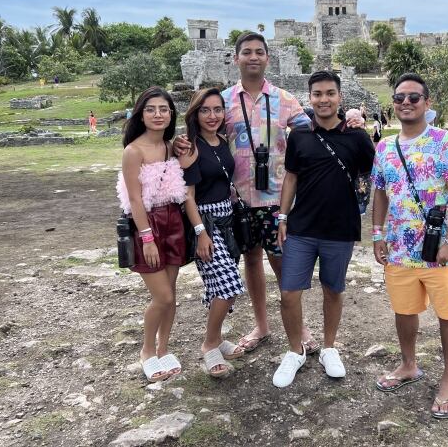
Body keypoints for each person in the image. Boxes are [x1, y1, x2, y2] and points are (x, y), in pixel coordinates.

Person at [174, 32, 321, 354]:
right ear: (236, 58)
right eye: (246, 52)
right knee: (252, 261)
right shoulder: (223, 101)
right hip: (237, 200)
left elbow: (311, 132)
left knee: (283, 263)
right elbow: (200, 132)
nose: (253, 57)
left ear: (267, 58)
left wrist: (346, 124)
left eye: (259, 52)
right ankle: (262, 325)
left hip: (276, 198)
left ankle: (301, 327)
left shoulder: (284, 99)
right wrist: (178, 144)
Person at [371, 72, 448, 420]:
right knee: (404, 310)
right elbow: (380, 192)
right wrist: (377, 233)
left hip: (436, 250)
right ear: (393, 104)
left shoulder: (446, 141)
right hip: (398, 249)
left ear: (427, 104)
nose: (406, 103)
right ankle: (409, 365)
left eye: (414, 98)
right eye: (400, 98)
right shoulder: (384, 146)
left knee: (447, 312)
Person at [272, 71, 375, 388]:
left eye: (330, 93)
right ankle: (295, 350)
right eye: (317, 94)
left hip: (340, 228)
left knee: (333, 289)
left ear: (340, 97)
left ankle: (330, 347)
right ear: (309, 98)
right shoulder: (299, 136)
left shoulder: (358, 138)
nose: (324, 99)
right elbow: (290, 177)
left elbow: (375, 174)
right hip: (302, 227)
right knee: (289, 294)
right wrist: (283, 217)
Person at [116, 87, 197, 382]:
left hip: (173, 221)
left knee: (171, 295)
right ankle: (147, 351)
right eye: (151, 109)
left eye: (164, 109)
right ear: (141, 114)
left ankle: (164, 349)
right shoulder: (133, 151)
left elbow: (187, 174)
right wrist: (147, 237)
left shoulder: (169, 147)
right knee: (161, 297)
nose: (158, 114)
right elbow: (135, 200)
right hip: (147, 224)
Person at [182, 88, 246, 378]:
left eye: (218, 109)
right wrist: (200, 233)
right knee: (229, 284)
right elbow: (188, 196)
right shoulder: (189, 147)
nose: (212, 116)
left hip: (227, 220)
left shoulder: (222, 141)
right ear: (195, 113)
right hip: (205, 222)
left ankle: (218, 338)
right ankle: (209, 344)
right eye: (205, 110)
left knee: (219, 285)